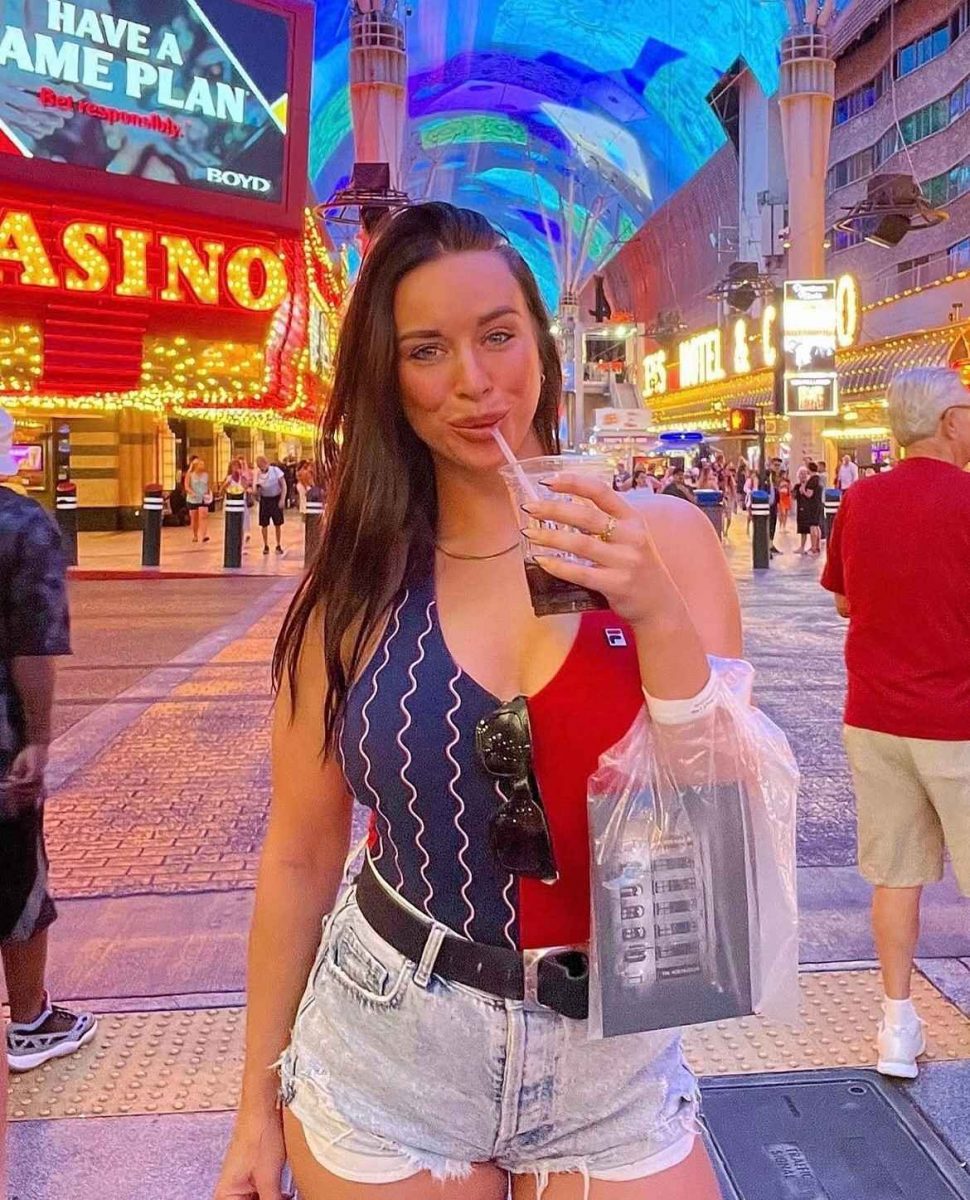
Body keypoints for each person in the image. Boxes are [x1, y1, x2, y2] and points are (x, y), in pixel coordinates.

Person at [215, 202, 741, 1200]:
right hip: (391, 1041)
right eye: (426, 350)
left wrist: (656, 616)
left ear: (539, 344)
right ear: (389, 378)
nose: (471, 381)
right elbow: (299, 851)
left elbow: (712, 824)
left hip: (612, 1050)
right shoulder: (355, 586)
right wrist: (254, 1105)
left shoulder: (665, 539)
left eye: (496, 335)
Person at [821, 367, 970, 1079]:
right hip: (958, 721)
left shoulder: (860, 498)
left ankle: (895, 1026)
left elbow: (845, 602)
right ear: (947, 422)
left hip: (875, 718)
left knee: (896, 877)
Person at [0, 410, 97, 1075]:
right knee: (17, 880)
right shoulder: (24, 527)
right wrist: (38, 741)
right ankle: (31, 1021)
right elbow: (34, 647)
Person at [255, 455, 286, 555]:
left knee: (278, 523)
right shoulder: (258, 473)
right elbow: (256, 488)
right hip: (265, 500)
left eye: (262, 464)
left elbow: (284, 485)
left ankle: (278, 544)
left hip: (275, 498)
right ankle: (266, 545)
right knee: (264, 523)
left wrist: (282, 499)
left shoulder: (275, 470)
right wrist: (256, 492)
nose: (261, 467)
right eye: (259, 465)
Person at [791, 466, 821, 555]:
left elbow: (809, 494)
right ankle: (803, 547)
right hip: (801, 509)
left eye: (804, 474)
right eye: (801, 474)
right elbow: (794, 497)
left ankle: (814, 547)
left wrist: (803, 489)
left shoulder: (810, 484)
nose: (803, 476)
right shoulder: (797, 486)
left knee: (813, 527)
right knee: (802, 528)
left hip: (810, 509)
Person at [185, 457, 211, 544]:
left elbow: (207, 486)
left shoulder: (206, 475)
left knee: (204, 515)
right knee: (194, 518)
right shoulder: (190, 474)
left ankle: (204, 535)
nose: (202, 466)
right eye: (200, 464)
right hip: (193, 499)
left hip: (203, 498)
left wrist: (208, 494)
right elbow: (186, 486)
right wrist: (191, 492)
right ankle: (195, 535)